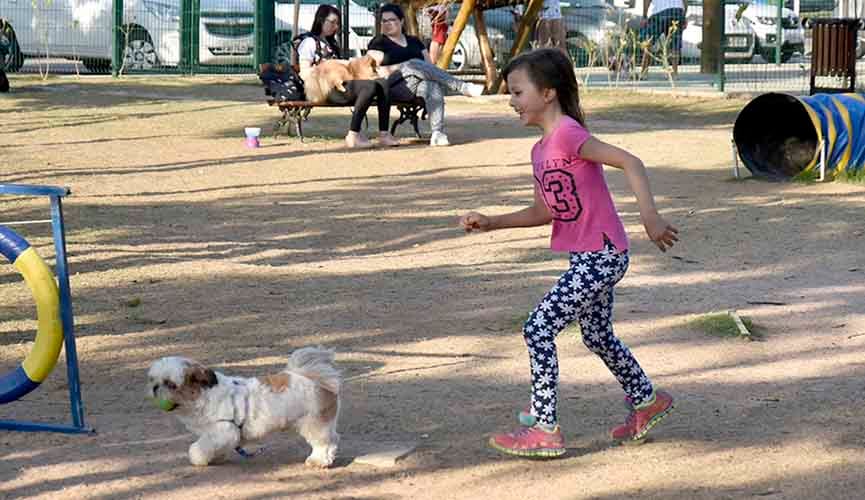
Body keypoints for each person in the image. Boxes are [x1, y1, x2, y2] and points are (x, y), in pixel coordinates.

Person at [458, 48, 679, 458]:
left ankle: (545, 428)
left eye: (518, 92)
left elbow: (631, 162)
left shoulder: (569, 134)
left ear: (548, 93)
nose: (511, 101)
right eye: (510, 93)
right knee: (596, 334)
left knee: (538, 328)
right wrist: (492, 221)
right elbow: (544, 211)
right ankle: (647, 401)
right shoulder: (540, 150)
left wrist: (650, 218)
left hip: (604, 254)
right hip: (586, 257)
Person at [366, 3, 484, 147]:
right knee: (413, 63)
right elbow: (377, 70)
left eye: (392, 20)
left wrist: (414, 67)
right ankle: (461, 86)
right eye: (384, 21)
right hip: (393, 86)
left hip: (417, 85)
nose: (387, 24)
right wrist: (404, 65)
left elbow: (428, 66)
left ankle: (437, 133)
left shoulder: (414, 41)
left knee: (431, 85)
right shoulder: (378, 43)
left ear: (402, 21)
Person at [296, 5, 399, 148]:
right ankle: (353, 135)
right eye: (332, 22)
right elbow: (304, 72)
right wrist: (324, 68)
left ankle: (384, 134)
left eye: (337, 23)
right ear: (321, 20)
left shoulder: (332, 44)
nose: (335, 26)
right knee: (370, 86)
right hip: (325, 88)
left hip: (342, 84)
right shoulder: (309, 42)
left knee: (382, 83)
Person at [639, 0, 687, 78]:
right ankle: (675, 73)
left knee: (649, 42)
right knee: (675, 44)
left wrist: (644, 15)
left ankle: (644, 72)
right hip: (677, 11)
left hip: (659, 11)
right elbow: (685, 1)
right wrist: (683, 16)